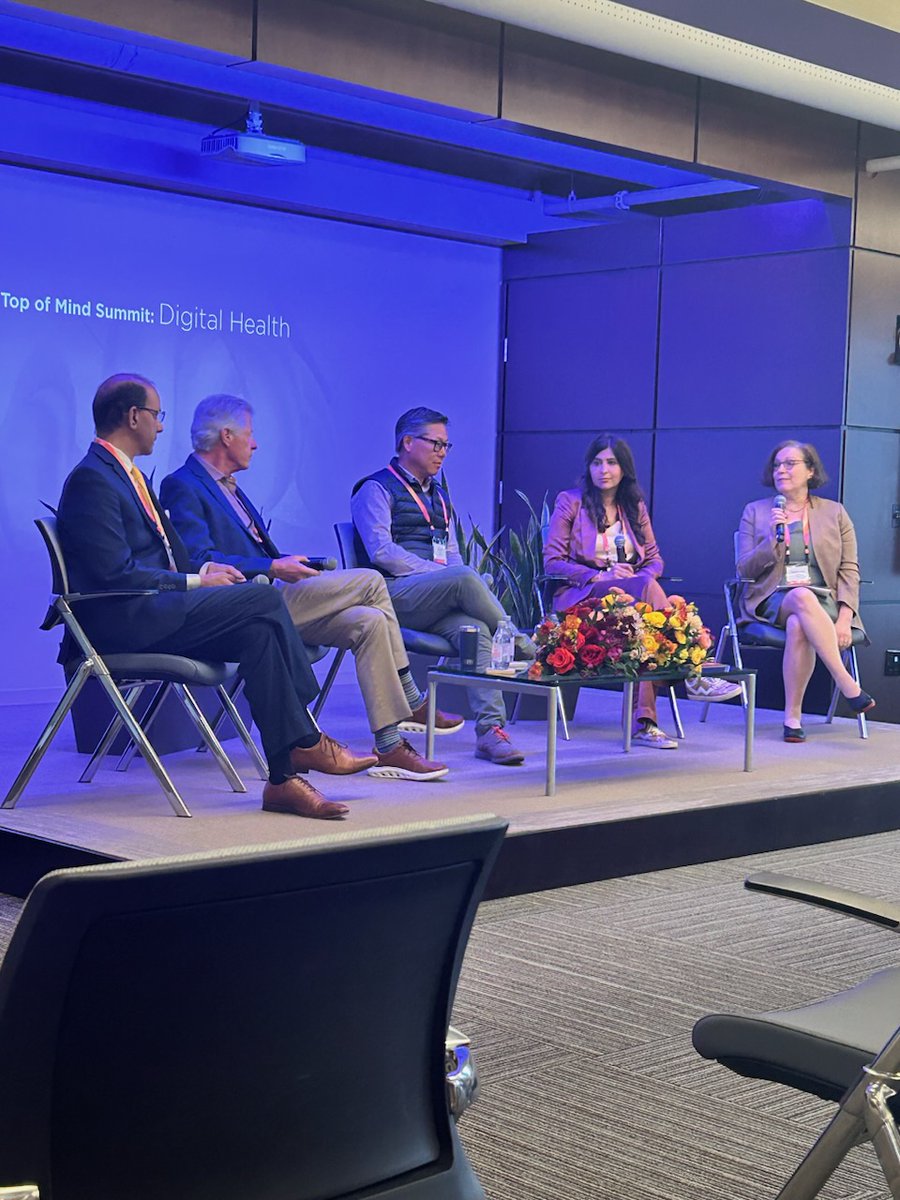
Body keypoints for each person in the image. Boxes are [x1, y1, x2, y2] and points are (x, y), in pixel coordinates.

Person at [56, 373, 379, 820]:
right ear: (133, 417)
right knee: (263, 600)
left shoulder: (130, 477)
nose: (162, 426)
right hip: (124, 621)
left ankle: (283, 781)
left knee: (258, 635)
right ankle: (307, 739)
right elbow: (115, 575)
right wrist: (195, 583)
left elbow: (172, 557)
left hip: (155, 610)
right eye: (156, 415)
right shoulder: (93, 480)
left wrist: (207, 570)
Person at [160, 394, 461, 782]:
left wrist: (289, 563)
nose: (255, 443)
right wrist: (270, 565)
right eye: (249, 435)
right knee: (370, 579)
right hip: (243, 606)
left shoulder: (231, 487)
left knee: (368, 621)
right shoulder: (184, 485)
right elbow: (198, 558)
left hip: (274, 598)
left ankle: (389, 745)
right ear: (226, 436)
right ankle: (412, 698)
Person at [351, 407, 529, 766]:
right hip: (391, 595)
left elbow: (450, 553)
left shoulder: (439, 496)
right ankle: (521, 643)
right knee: (463, 578)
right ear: (407, 442)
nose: (442, 453)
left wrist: (447, 575)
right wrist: (438, 575)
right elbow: (381, 552)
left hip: (431, 598)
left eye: (447, 446)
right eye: (435, 444)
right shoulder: (374, 489)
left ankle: (490, 732)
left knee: (476, 628)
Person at [544, 434, 742, 749]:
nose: (603, 470)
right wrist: (598, 575)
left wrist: (635, 576)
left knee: (644, 619)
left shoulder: (633, 506)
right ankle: (693, 670)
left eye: (611, 462)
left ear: (624, 469)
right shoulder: (570, 501)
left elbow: (654, 560)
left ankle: (646, 723)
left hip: (631, 601)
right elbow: (553, 562)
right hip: (583, 599)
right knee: (646, 595)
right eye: (597, 463)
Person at [737, 440, 875, 742]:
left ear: (810, 471)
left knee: (800, 621)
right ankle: (847, 683)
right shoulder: (756, 512)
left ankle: (792, 718)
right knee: (800, 596)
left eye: (790, 464)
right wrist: (772, 539)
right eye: (777, 465)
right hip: (772, 600)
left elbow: (849, 570)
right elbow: (744, 570)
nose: (781, 470)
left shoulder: (835, 513)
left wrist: (844, 619)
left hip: (825, 601)